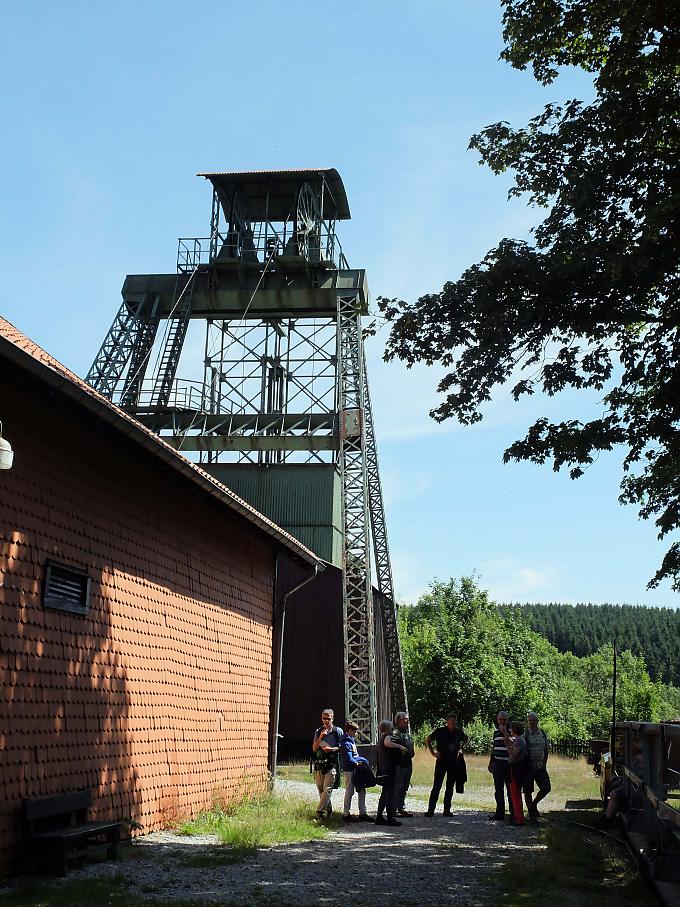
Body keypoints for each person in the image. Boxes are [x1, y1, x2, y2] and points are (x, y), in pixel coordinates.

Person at [425, 713, 469, 817]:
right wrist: (433, 753)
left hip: (453, 762)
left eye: (455, 721)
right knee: (437, 786)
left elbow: (467, 739)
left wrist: (461, 748)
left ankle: (446, 810)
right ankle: (430, 810)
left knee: (450, 787)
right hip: (441, 761)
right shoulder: (440, 731)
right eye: (452, 720)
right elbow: (428, 739)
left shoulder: (459, 732)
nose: (454, 722)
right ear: (447, 721)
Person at [311, 707, 343, 820]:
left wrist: (332, 749)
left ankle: (319, 812)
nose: (326, 721)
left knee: (328, 789)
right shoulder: (318, 731)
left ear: (332, 718)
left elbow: (342, 747)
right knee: (321, 790)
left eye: (328, 719)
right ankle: (329, 811)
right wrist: (321, 737)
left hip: (331, 764)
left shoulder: (337, 731)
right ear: (321, 718)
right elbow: (314, 748)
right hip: (320, 764)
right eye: (324, 718)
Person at [376, 719, 407, 826]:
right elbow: (388, 743)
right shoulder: (386, 737)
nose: (393, 728)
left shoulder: (381, 739)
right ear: (388, 728)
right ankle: (389, 818)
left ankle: (379, 817)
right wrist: (400, 747)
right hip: (389, 770)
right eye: (391, 726)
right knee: (389, 794)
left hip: (384, 769)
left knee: (385, 794)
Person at [340, 720, 372, 822]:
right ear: (349, 731)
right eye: (355, 731)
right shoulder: (346, 742)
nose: (356, 733)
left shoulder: (351, 740)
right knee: (350, 791)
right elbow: (349, 758)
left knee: (362, 790)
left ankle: (362, 813)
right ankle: (346, 814)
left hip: (356, 770)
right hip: (350, 770)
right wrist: (358, 762)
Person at [523, 711, 551, 819]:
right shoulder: (525, 734)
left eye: (533, 720)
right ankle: (531, 812)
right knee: (527, 790)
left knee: (546, 788)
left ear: (537, 721)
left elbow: (546, 750)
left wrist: (544, 763)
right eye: (529, 720)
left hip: (540, 767)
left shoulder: (543, 733)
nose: (531, 722)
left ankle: (534, 804)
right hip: (528, 768)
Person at [488, 710, 514, 821]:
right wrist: (491, 762)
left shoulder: (511, 732)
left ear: (507, 721)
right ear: (497, 720)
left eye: (504, 719)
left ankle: (513, 813)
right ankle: (500, 813)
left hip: (508, 764)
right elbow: (494, 748)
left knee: (510, 790)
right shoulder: (495, 733)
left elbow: (513, 746)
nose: (502, 721)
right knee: (498, 790)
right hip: (497, 763)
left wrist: (506, 734)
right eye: (501, 719)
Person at [500, 720, 527, 825]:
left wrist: (506, 738)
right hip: (517, 768)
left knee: (515, 794)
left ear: (514, 729)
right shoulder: (520, 740)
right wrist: (507, 741)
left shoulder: (519, 740)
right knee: (515, 794)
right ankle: (518, 817)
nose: (509, 729)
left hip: (515, 768)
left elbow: (513, 755)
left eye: (511, 728)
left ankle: (519, 819)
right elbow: (512, 745)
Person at [391, 711, 415, 818]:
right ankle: (394, 809)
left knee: (404, 787)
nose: (407, 721)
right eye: (405, 719)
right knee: (398, 787)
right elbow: (391, 746)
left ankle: (402, 808)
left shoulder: (407, 732)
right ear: (399, 720)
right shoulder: (395, 733)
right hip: (399, 765)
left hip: (408, 763)